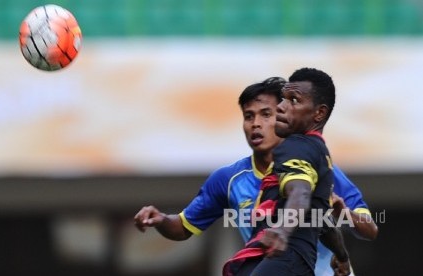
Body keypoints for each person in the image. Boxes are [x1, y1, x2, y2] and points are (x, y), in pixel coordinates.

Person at [134, 74, 377, 275]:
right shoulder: (228, 180)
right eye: (249, 116)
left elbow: (368, 229)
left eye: (265, 114)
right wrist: (161, 220)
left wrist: (343, 213)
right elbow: (183, 227)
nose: (255, 124)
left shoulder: (322, 168)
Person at [223, 67, 349, 276]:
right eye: (283, 99)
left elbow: (299, 192)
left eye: (294, 100)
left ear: (319, 113)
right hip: (289, 262)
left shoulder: (295, 147)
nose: (280, 107)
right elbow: (321, 220)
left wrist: (282, 229)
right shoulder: (316, 153)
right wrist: (342, 256)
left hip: (287, 261)